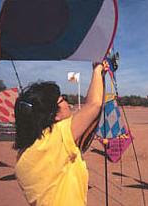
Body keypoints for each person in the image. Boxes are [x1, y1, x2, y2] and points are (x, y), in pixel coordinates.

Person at [13, 63, 105, 206]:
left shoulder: (25, 154)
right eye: (63, 99)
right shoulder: (56, 139)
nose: (67, 103)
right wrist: (97, 68)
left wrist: (100, 77)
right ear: (55, 115)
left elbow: (88, 125)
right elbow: (93, 105)